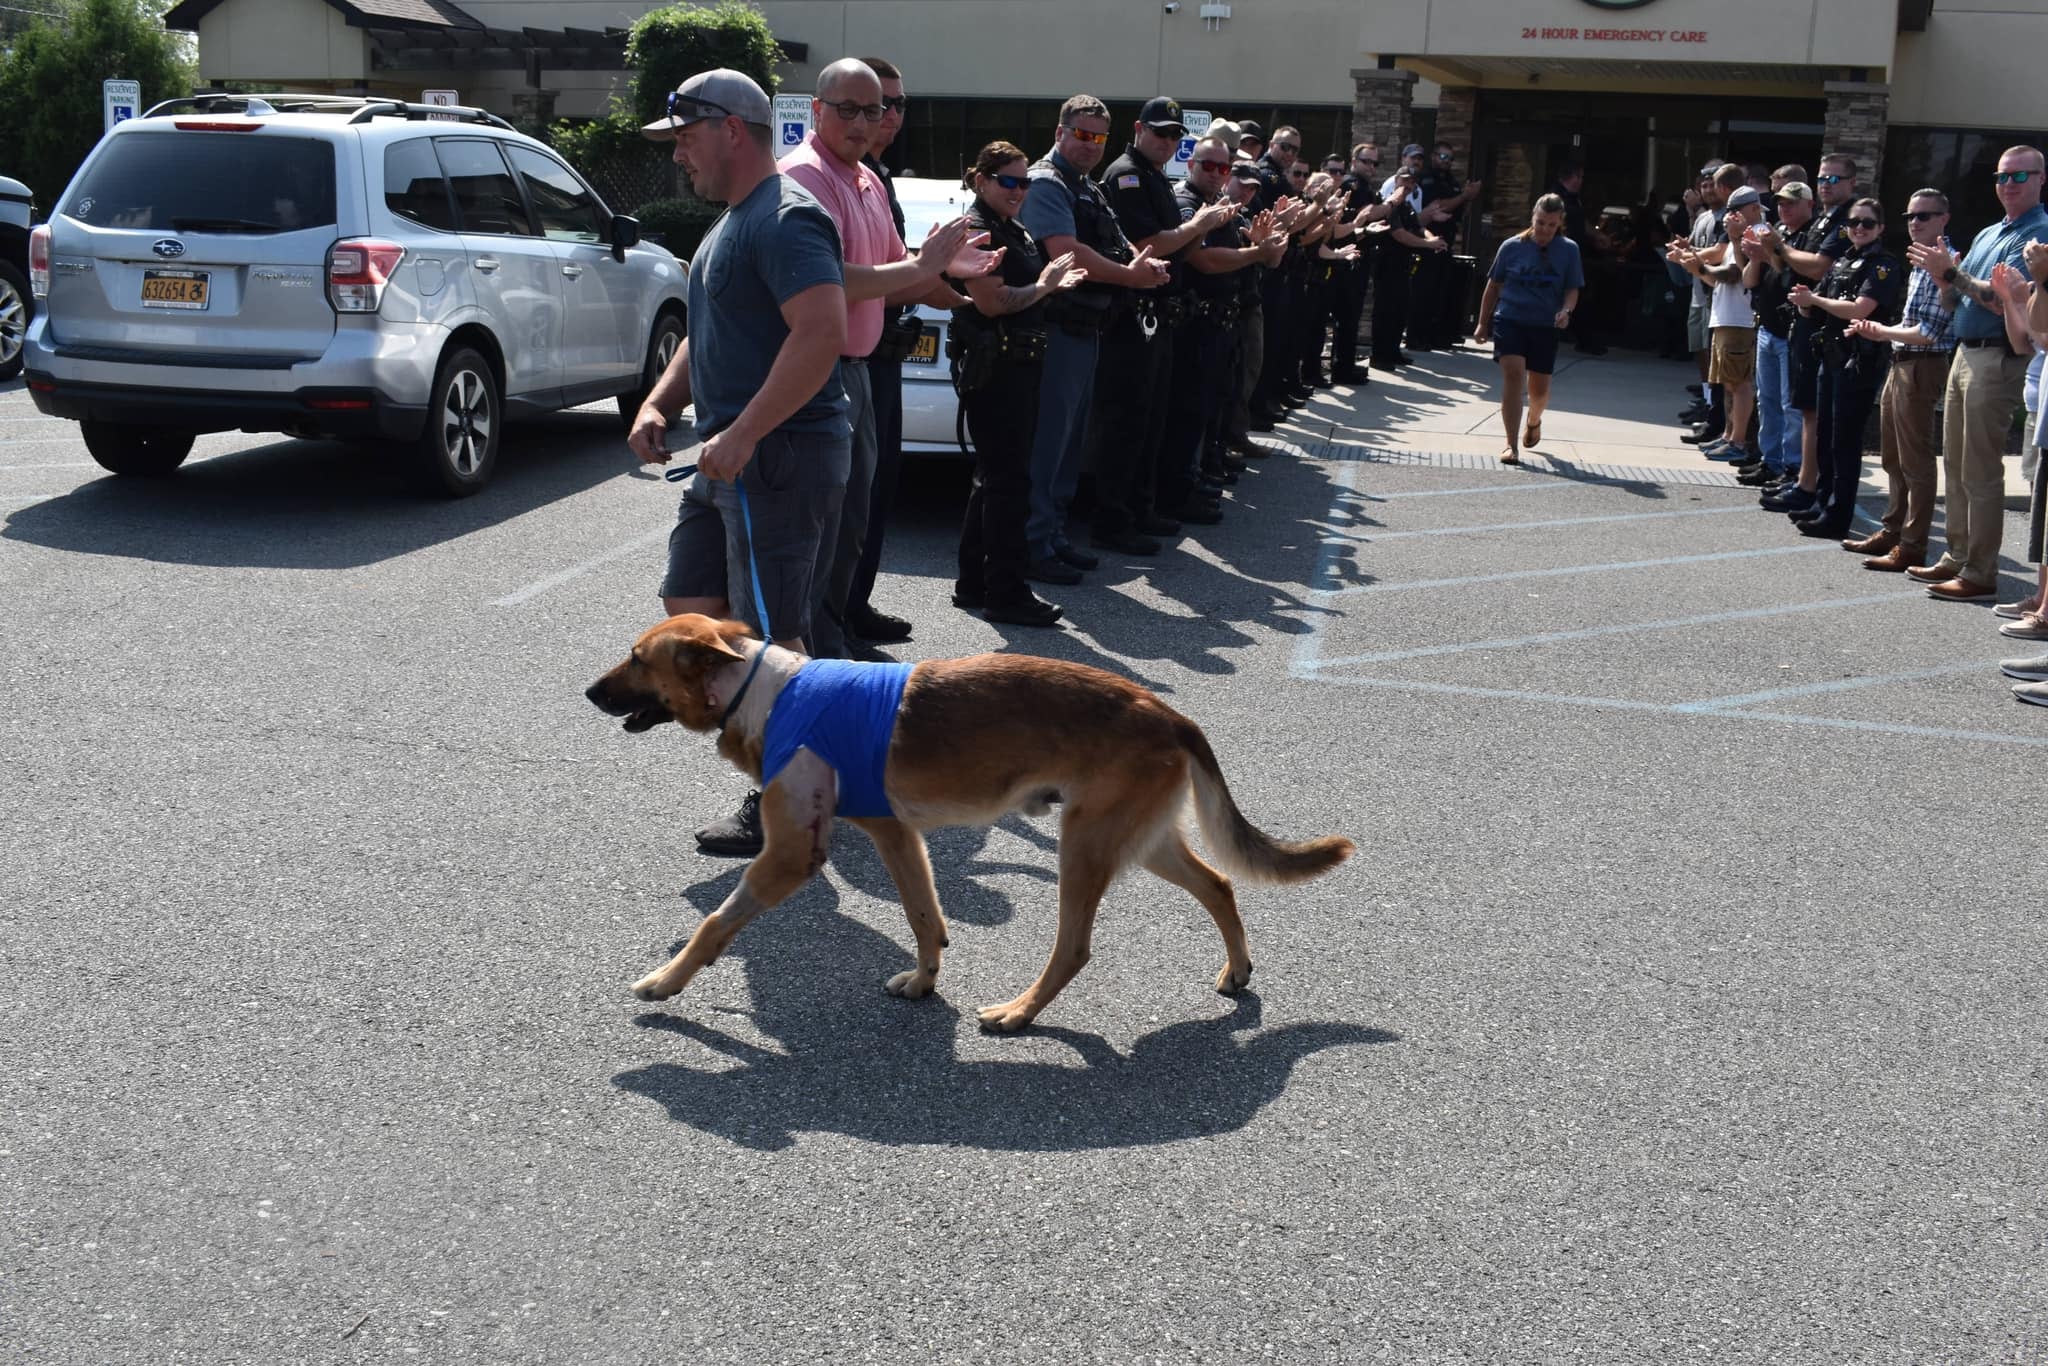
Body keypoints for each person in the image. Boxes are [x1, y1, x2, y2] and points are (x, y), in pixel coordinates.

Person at [627, 69, 851, 858]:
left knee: (774, 640)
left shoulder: (786, 217)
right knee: (692, 605)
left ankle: (789, 799)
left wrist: (749, 431)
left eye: (684, 138)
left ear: (730, 129)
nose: (677, 156)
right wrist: (661, 402)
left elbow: (821, 332)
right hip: (729, 457)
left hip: (778, 454)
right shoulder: (729, 225)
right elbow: (705, 331)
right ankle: (826, 733)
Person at [778, 59, 997, 660]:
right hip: (821, 373)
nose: (863, 121)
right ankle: (812, 656)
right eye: (846, 109)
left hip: (860, 370)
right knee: (819, 523)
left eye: (872, 110)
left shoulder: (866, 179)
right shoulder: (804, 178)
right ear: (817, 111)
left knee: (854, 517)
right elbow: (830, 281)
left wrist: (950, 272)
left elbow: (895, 266)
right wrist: (926, 268)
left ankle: (834, 636)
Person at [1020, 96, 1172, 563]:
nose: (1090, 145)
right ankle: (1034, 544)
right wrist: (1131, 276)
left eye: (1099, 137)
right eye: (1082, 135)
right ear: (1060, 132)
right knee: (1048, 444)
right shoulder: (1048, 183)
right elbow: (1068, 252)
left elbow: (1117, 240)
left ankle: (1054, 536)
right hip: (1056, 330)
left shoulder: (1083, 185)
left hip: (1086, 329)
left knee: (1069, 443)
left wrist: (1143, 263)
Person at [947, 141, 1088, 628]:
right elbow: (992, 301)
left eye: (1025, 182)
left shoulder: (1012, 226)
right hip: (997, 368)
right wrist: (1046, 285)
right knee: (1010, 483)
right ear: (982, 180)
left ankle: (974, 582)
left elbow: (1023, 291)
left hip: (1018, 365)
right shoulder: (978, 230)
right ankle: (1006, 593)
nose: (1019, 190)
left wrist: (1049, 287)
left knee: (994, 478)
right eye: (1009, 181)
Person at [1905, 145, 2048, 601]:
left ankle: (1980, 570)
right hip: (1966, 353)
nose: (2008, 184)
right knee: (1956, 462)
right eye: (2002, 176)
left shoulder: (2040, 233)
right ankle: (1958, 555)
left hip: (1999, 357)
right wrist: (1946, 278)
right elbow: (1959, 297)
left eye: (2020, 177)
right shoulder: (1991, 233)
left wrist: (1953, 274)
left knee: (1981, 469)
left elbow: (2007, 297)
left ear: (2041, 179)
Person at [1103, 97, 1242, 531]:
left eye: (1174, 135)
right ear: (1139, 129)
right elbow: (1149, 243)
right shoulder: (1127, 175)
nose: (1166, 141)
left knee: (1153, 421)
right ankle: (1116, 518)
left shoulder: (1155, 177)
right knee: (1129, 423)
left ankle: (1143, 508)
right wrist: (1198, 225)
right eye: (1160, 132)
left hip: (1162, 313)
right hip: (1134, 314)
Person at [841, 56, 916, 654]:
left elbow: (898, 263)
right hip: (842, 357)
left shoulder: (875, 177)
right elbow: (859, 276)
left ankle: (852, 606)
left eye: (892, 105)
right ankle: (833, 620)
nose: (885, 117)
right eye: (870, 106)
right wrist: (939, 273)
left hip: (878, 350)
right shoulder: (825, 176)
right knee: (844, 495)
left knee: (875, 487)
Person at [1840, 188, 1956, 570]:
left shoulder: (1947, 262)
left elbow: (1931, 332)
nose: (1915, 223)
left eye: (1924, 215)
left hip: (1923, 365)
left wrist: (1884, 332)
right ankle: (1892, 532)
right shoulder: (1920, 261)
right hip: (1902, 362)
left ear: (1944, 219)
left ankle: (1912, 545)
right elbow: (1911, 326)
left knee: (1915, 461)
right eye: (1910, 216)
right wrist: (1881, 330)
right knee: (1892, 457)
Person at [1786, 197, 1904, 539]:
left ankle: (1838, 515)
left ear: (1880, 228)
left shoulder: (1882, 265)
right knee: (1824, 437)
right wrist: (1806, 303)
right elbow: (1818, 304)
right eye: (1854, 223)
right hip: (1831, 357)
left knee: (1844, 442)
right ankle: (1822, 503)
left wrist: (1815, 301)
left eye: (1867, 223)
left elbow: (1860, 309)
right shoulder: (1843, 261)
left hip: (1859, 362)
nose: (1859, 229)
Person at [1179, 135, 1286, 492]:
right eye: (1207, 165)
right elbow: (1205, 261)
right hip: (1198, 320)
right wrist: (1256, 252)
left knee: (1220, 399)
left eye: (1221, 168)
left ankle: (1207, 464)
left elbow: (1269, 259)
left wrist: (1265, 244)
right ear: (1191, 164)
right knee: (1192, 408)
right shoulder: (1189, 203)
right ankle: (1186, 480)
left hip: (1229, 315)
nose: (1214, 173)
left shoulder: (1223, 208)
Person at [1472, 194, 1582, 465]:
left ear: (1559, 224)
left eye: (1551, 225)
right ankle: (1510, 444)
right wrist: (1482, 323)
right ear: (1533, 218)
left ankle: (1534, 419)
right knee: (1514, 375)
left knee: (1539, 391)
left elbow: (1571, 289)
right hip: (1510, 319)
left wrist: (1566, 311)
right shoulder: (1511, 247)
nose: (1544, 230)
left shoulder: (1569, 250)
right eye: (1540, 222)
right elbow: (1494, 286)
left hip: (1545, 324)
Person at [1739, 182, 1814, 489]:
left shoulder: (1807, 238)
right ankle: (1770, 461)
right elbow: (1749, 281)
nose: (1785, 208)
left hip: (1791, 333)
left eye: (1792, 203)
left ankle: (1791, 465)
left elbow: (1793, 275)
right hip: (1768, 329)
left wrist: (1770, 252)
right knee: (1767, 401)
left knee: (1790, 405)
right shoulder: (1776, 232)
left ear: (1809, 205)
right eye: (1781, 203)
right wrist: (1756, 256)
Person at [1369, 164, 1446, 372]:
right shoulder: (1389, 204)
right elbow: (1399, 234)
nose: (1408, 185)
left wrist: (1433, 239)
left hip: (1403, 265)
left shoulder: (1406, 206)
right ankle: (1379, 355)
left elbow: (1419, 227)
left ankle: (1393, 352)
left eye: (1412, 181)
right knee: (1385, 312)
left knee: (1400, 311)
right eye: (1405, 180)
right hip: (1387, 265)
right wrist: (1427, 245)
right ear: (1396, 180)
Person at [1330, 142, 1384, 384]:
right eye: (1366, 161)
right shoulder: (1354, 185)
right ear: (1354, 161)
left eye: (1375, 163)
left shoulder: (1364, 186)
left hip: (1358, 255)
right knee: (1348, 316)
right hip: (1349, 256)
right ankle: (1342, 368)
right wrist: (1392, 203)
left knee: (1351, 317)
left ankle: (1345, 365)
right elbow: (1367, 216)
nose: (1371, 166)